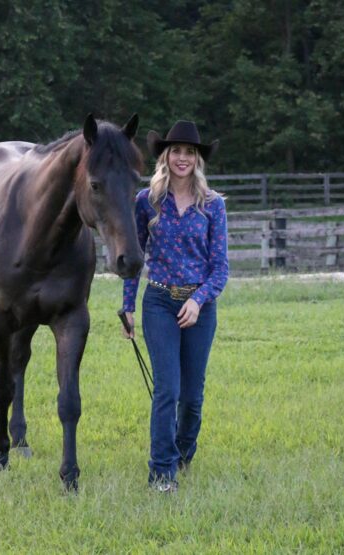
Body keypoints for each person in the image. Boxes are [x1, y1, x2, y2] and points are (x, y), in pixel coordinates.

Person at [121, 120, 229, 493]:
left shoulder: (213, 206)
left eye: (189, 152)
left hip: (200, 305)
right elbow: (133, 258)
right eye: (176, 151)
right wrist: (127, 305)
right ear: (165, 156)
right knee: (166, 389)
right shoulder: (145, 202)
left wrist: (199, 301)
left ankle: (182, 452)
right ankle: (162, 471)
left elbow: (221, 269)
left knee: (192, 397)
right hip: (160, 303)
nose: (182, 158)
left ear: (197, 159)